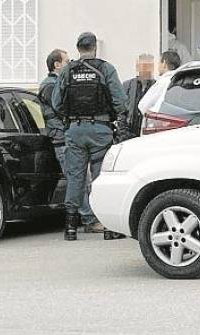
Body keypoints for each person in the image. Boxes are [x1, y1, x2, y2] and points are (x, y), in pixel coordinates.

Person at [52, 32, 128, 240]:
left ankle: (70, 228)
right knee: (100, 178)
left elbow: (56, 102)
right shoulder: (106, 68)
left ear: (78, 48)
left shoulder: (67, 71)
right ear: (95, 47)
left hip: (75, 130)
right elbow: (121, 102)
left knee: (75, 177)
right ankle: (109, 228)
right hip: (101, 130)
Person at [39, 49, 70, 176]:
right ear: (57, 65)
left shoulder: (56, 84)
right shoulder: (50, 86)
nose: (69, 65)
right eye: (67, 62)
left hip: (63, 136)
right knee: (74, 179)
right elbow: (60, 109)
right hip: (60, 137)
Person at [136, 50, 182, 121]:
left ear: (164, 63)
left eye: (159, 63)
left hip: (161, 121)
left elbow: (143, 106)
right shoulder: (181, 80)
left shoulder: (163, 81)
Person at [121, 53, 156, 139]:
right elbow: (121, 110)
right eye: (143, 66)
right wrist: (122, 132)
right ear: (137, 67)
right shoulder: (127, 85)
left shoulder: (156, 86)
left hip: (149, 133)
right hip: (129, 132)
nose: (146, 70)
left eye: (149, 67)